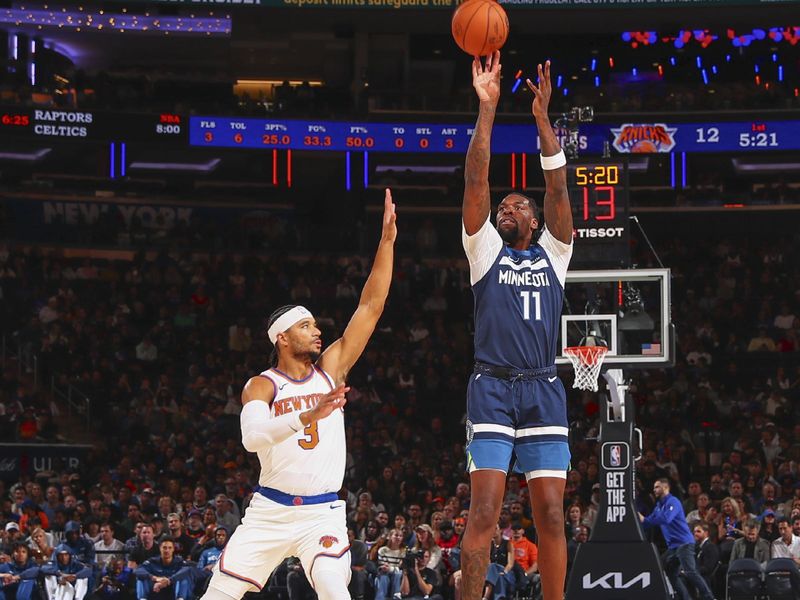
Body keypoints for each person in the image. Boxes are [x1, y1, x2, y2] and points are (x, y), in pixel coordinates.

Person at [198, 189, 396, 600]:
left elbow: (371, 306)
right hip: (269, 511)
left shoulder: (331, 370)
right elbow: (252, 439)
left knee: (334, 591)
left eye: (315, 325)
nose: (317, 331)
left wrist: (387, 244)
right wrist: (309, 416)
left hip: (322, 513)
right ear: (283, 338)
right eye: (306, 326)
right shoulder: (262, 384)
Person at [459, 52, 574, 600]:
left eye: (517, 204)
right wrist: (488, 108)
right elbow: (476, 175)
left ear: (535, 219)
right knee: (483, 509)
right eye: (503, 205)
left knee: (551, 514)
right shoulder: (484, 252)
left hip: (543, 385)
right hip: (493, 387)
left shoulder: (554, 254)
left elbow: (557, 189)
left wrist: (541, 119)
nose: (507, 207)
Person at [640, 479, 715, 600]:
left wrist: (645, 520)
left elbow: (666, 519)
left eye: (657, 487)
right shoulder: (659, 505)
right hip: (673, 547)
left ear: (665, 488)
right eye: (654, 487)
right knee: (667, 570)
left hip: (684, 543)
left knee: (690, 571)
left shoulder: (673, 502)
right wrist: (637, 518)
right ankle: (685, 598)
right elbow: (648, 522)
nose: (654, 489)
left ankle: (710, 597)